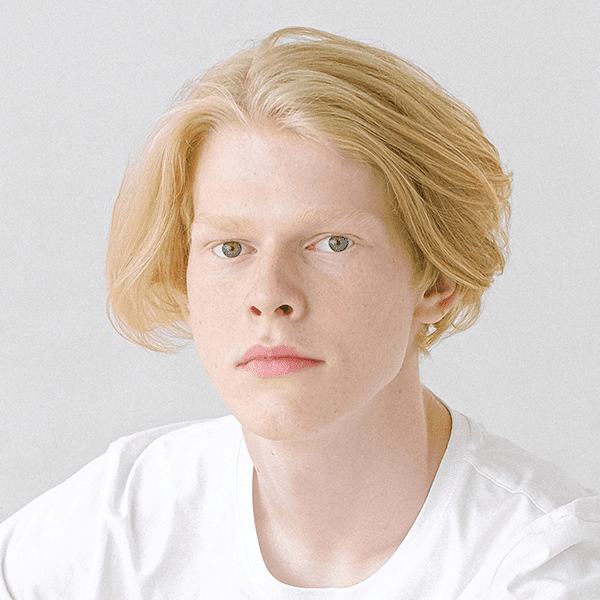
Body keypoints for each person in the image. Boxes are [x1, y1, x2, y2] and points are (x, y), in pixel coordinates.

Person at [1, 26, 598, 599]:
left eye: (332, 244)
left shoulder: (540, 563)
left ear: (437, 277)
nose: (269, 294)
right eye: (230, 248)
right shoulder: (122, 519)